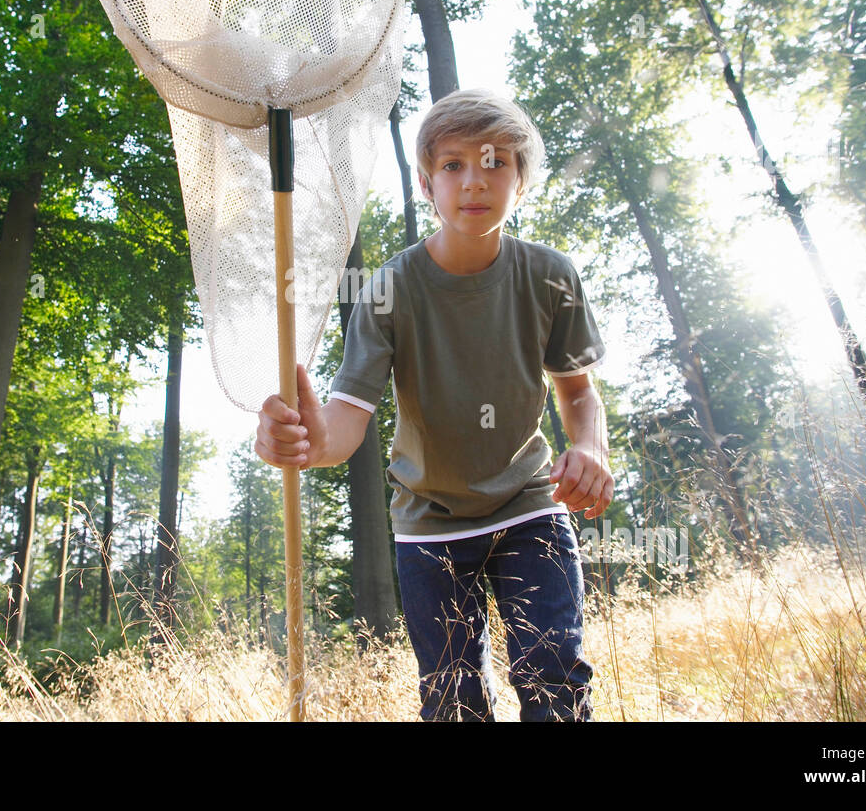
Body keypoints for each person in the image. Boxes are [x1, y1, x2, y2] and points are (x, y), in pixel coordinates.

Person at [255, 88, 613, 721]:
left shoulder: (552, 276)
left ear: (521, 181)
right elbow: (346, 420)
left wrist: (586, 448)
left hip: (530, 506)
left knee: (556, 680)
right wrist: (308, 441)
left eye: (496, 161)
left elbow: (578, 392)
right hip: (429, 522)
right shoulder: (388, 288)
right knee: (453, 702)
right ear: (425, 184)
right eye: (453, 165)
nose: (474, 180)